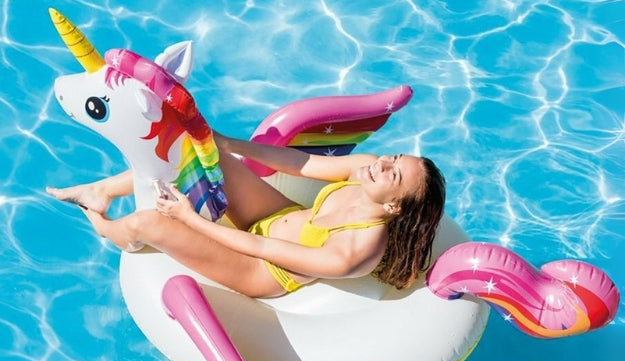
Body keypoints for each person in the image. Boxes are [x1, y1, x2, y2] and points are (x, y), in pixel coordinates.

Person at [46, 133, 446, 298]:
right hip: (279, 216)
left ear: (394, 207)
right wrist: (227, 143)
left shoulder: (358, 250)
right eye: (395, 157)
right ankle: (101, 190)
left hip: (261, 270)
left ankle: (103, 224)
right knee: (199, 151)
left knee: (146, 224)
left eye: (394, 173)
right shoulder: (365, 169)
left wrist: (188, 218)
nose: (383, 163)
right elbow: (300, 163)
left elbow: (262, 248)